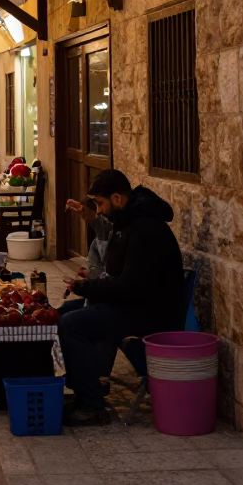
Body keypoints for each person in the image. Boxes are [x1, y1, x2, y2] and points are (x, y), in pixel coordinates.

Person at [57, 169, 185, 427]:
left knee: (72, 325)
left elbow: (128, 287)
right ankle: (85, 390)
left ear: (117, 199)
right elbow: (117, 275)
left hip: (149, 314)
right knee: (62, 314)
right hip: (132, 303)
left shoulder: (145, 229)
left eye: (101, 203)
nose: (100, 210)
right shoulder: (128, 222)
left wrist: (87, 288)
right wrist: (89, 285)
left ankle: (92, 406)